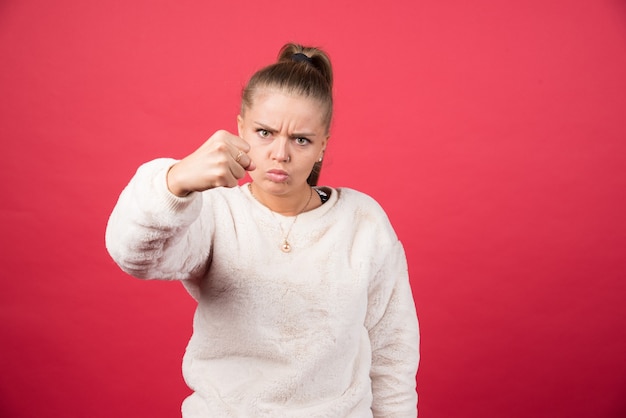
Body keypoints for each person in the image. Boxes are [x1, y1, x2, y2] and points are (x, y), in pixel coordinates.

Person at [105, 43, 419, 417]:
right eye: (265, 132)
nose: (280, 154)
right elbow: (135, 255)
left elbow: (392, 353)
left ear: (322, 146)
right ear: (241, 129)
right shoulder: (215, 212)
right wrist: (175, 182)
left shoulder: (363, 222)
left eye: (300, 139)